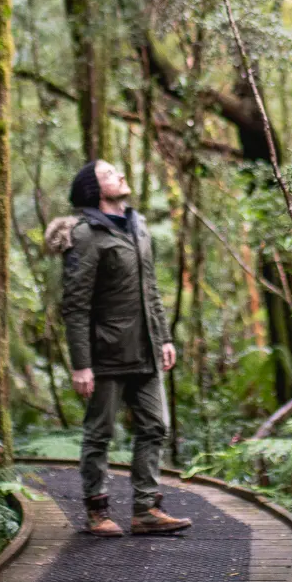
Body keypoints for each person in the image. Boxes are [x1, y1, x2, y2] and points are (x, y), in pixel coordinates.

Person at [53, 158, 190, 537]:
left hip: (145, 349)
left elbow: (151, 289)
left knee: (156, 427)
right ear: (95, 189)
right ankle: (97, 511)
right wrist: (81, 364)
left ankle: (146, 509)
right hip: (106, 354)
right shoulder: (85, 235)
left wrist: (163, 337)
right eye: (111, 173)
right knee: (100, 433)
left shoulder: (138, 224)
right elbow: (75, 306)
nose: (122, 175)